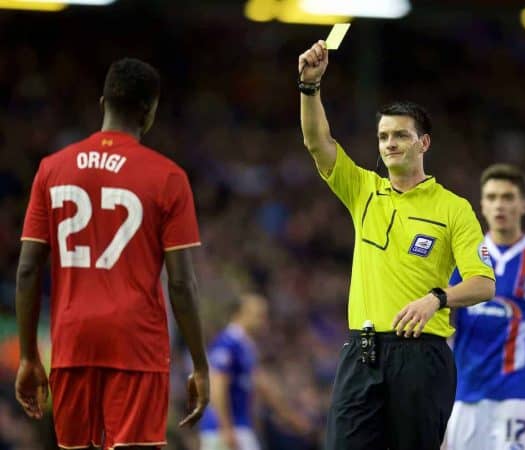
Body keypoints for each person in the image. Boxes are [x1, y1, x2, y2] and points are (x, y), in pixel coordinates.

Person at [298, 40, 496, 450]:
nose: (389, 143)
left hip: (422, 356)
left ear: (423, 143)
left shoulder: (453, 208)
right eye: (384, 136)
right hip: (362, 351)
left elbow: (483, 283)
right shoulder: (363, 191)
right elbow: (318, 143)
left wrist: (437, 299)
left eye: (401, 136)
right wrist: (309, 88)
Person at [14, 58, 209, 450]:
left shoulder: (52, 170)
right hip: (136, 344)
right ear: (149, 109)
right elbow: (182, 283)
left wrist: (28, 355)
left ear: (103, 102)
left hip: (72, 342)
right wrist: (200, 365)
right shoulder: (167, 177)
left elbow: (27, 270)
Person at [445, 164, 525, 450]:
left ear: (523, 204)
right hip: (465, 394)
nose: (499, 205)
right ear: (482, 205)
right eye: (491, 197)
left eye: (507, 197)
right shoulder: (462, 260)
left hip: (517, 394)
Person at [199, 293, 311, 450]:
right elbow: (217, 386)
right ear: (239, 315)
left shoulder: (246, 346)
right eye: (259, 315)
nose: (264, 321)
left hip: (238, 427)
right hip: (225, 429)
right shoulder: (227, 343)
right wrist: (226, 428)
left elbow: (264, 387)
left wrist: (290, 418)